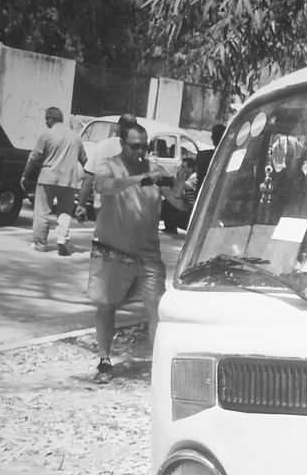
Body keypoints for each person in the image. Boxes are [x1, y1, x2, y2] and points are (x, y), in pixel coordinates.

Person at [84, 123, 187, 384]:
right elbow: (104, 187)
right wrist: (137, 180)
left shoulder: (156, 171)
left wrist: (179, 186)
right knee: (107, 305)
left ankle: (158, 366)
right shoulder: (108, 165)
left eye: (145, 146)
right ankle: (105, 361)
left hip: (148, 255)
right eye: (135, 146)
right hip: (112, 250)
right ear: (122, 143)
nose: (141, 152)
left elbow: (178, 203)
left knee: (157, 309)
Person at [22, 106, 85, 255]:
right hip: (69, 180)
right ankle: (62, 239)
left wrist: (25, 174)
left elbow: (34, 157)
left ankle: (40, 244)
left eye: (46, 119)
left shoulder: (47, 135)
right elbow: (84, 159)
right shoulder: (75, 137)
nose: (45, 122)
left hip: (47, 178)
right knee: (65, 211)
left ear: (51, 119)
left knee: (42, 212)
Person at [77, 113, 137, 221]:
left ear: (118, 127)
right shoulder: (138, 150)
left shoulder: (101, 146)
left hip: (102, 202)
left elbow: (88, 178)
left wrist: (81, 205)